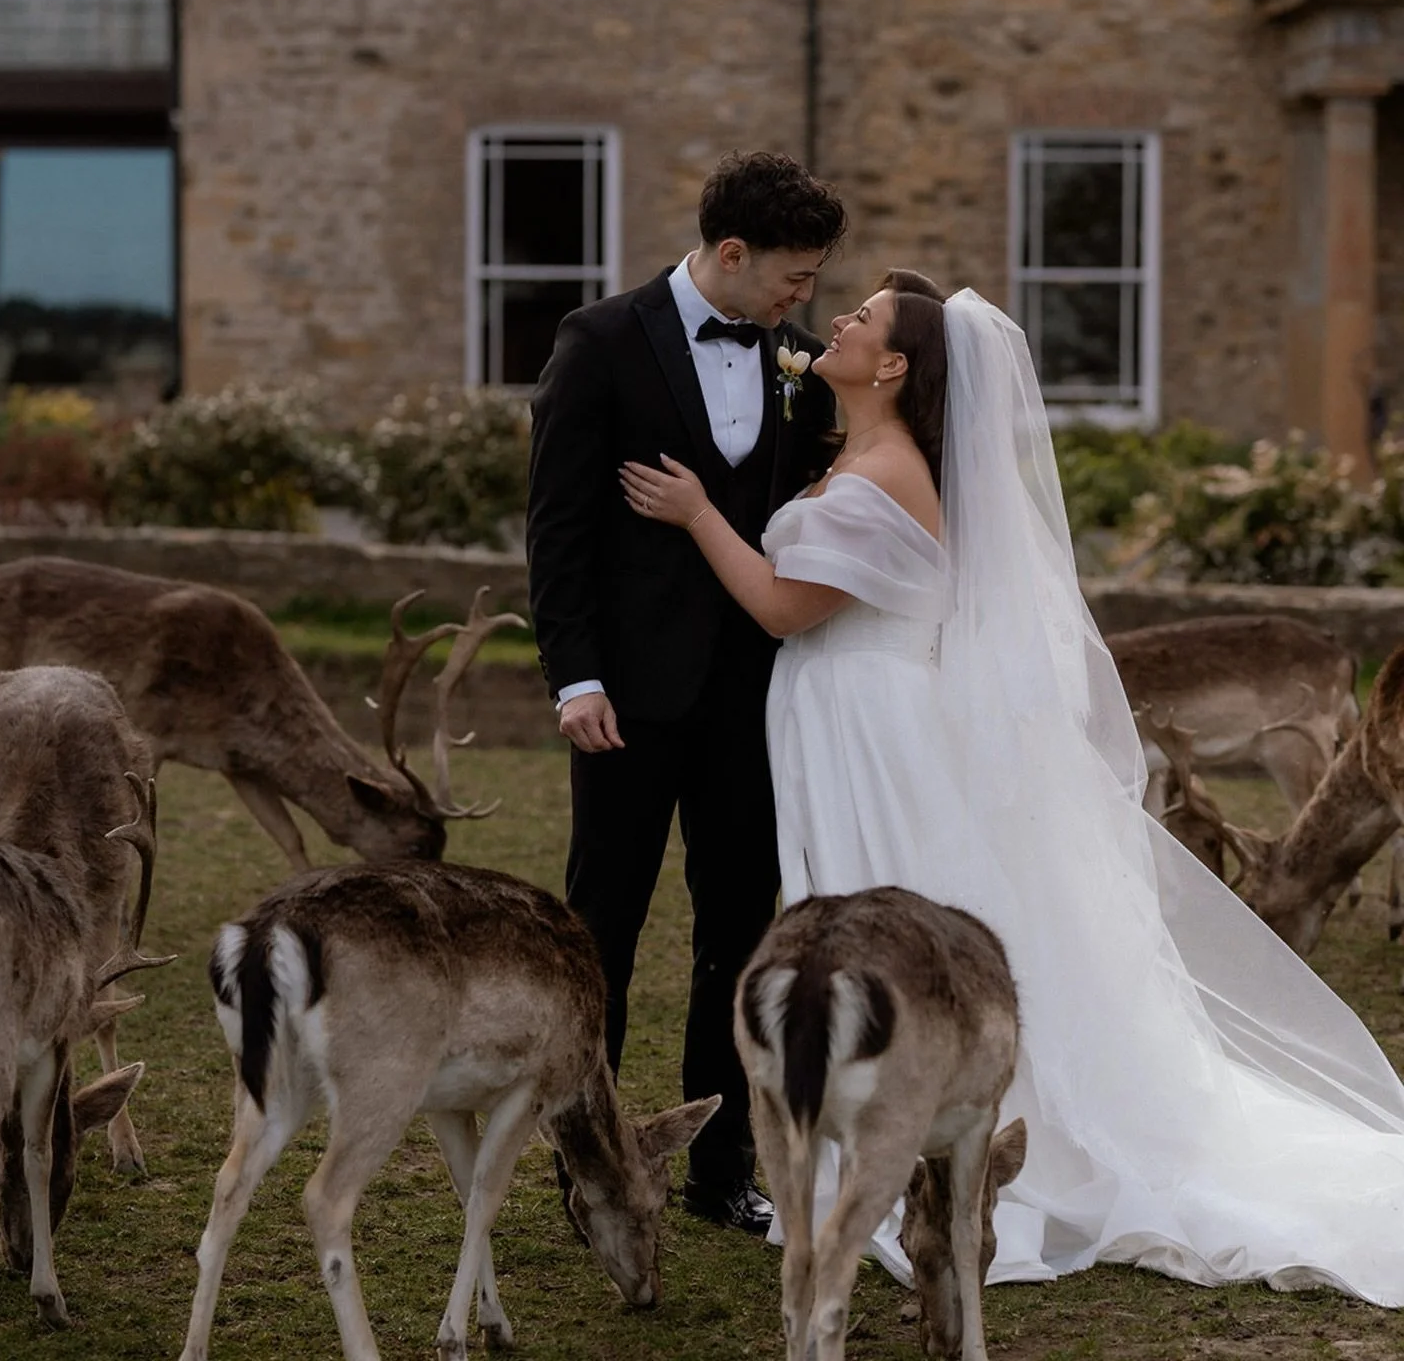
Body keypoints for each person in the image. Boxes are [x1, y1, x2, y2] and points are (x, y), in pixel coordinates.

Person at [622, 273, 1404, 1303]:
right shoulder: (858, 450)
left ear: (894, 365)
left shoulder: (891, 468)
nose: (840, 322)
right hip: (843, 715)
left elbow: (780, 607)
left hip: (872, 726)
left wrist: (693, 514)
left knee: (888, 918)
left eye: (861, 319)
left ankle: (952, 1140)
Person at [527, 149, 846, 1232]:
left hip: (755, 698)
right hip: (619, 696)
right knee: (599, 927)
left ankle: (721, 1171)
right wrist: (573, 675)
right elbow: (559, 528)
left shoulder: (802, 364)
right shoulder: (601, 341)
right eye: (793, 275)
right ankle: (586, 1163)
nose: (804, 298)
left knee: (741, 927)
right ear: (731, 251)